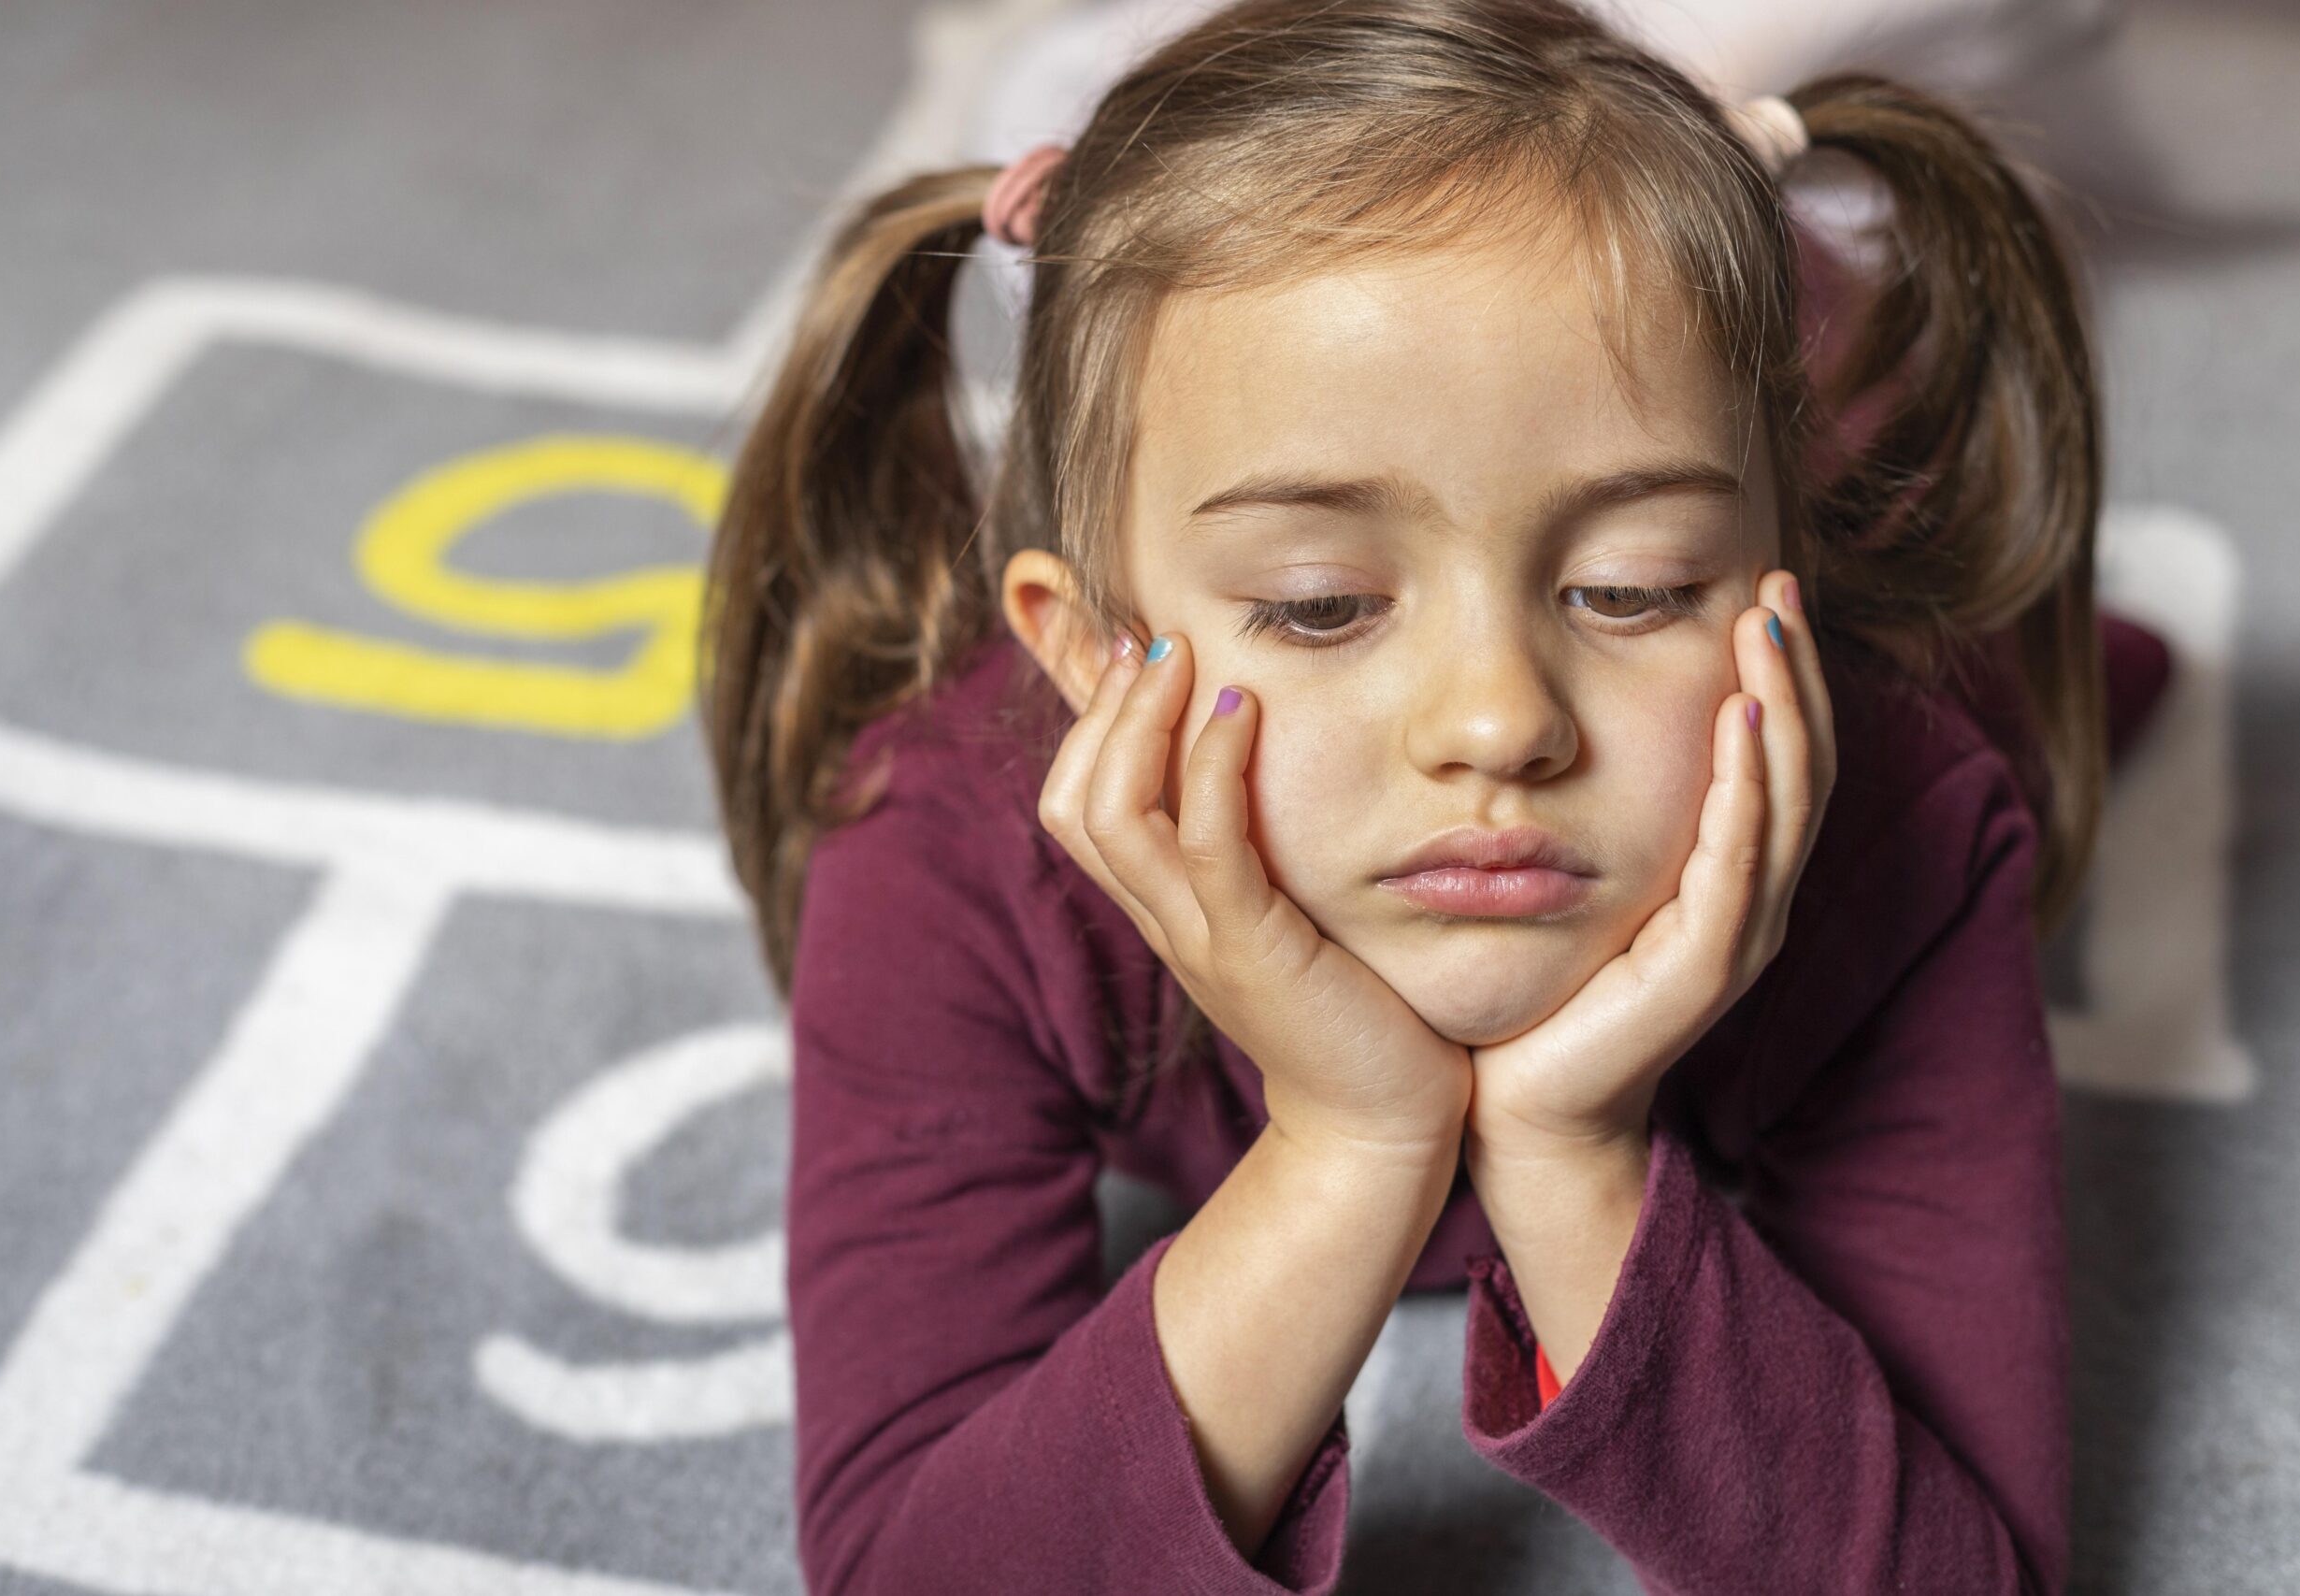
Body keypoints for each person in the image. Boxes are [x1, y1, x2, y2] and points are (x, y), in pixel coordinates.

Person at [696, 3, 2173, 1590]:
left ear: (1776, 581)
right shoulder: (933, 855)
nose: (1499, 724)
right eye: (1323, 605)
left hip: (1877, 621)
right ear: (1082, 651)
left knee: (2051, 666)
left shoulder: (1907, 831)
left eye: (1635, 585)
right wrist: (1346, 1142)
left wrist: (1571, 1150)